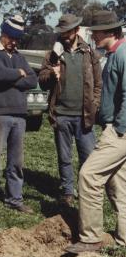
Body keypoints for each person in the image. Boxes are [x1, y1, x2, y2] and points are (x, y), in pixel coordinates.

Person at [65, 11, 126, 254]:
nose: (92, 35)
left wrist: (119, 128)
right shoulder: (114, 54)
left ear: (109, 32)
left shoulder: (123, 54)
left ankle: (90, 238)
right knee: (119, 186)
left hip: (119, 132)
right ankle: (123, 240)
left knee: (88, 176)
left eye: (96, 32)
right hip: (116, 128)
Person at [0, 15, 37, 218]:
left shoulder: (19, 56)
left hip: (19, 115)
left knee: (16, 161)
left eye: (16, 38)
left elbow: (32, 80)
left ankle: (15, 199)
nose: (13, 41)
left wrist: (15, 76)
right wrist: (18, 74)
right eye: (10, 37)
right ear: (3, 33)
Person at [39, 14, 102, 206]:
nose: (65, 35)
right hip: (61, 115)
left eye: (68, 31)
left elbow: (98, 84)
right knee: (64, 157)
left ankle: (86, 191)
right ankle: (67, 191)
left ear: (76, 30)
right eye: (62, 32)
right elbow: (41, 81)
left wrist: (94, 104)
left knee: (88, 158)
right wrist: (51, 73)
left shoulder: (90, 53)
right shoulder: (53, 54)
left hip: (84, 116)